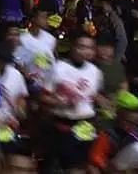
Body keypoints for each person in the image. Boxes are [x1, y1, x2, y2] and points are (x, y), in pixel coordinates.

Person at [40, 33, 107, 172]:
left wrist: (101, 101)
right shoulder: (58, 68)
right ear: (73, 47)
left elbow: (93, 94)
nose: (85, 51)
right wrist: (60, 103)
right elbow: (43, 97)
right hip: (63, 125)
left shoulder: (95, 72)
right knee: (64, 166)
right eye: (81, 47)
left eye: (89, 48)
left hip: (87, 125)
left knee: (82, 166)